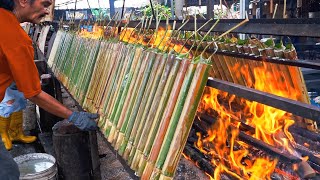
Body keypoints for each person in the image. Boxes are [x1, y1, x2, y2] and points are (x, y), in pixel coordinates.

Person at [0, 0, 99, 179]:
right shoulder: (14, 35)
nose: (47, 11)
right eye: (44, 4)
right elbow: (33, 93)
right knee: (8, 172)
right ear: (23, 1)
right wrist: (73, 115)